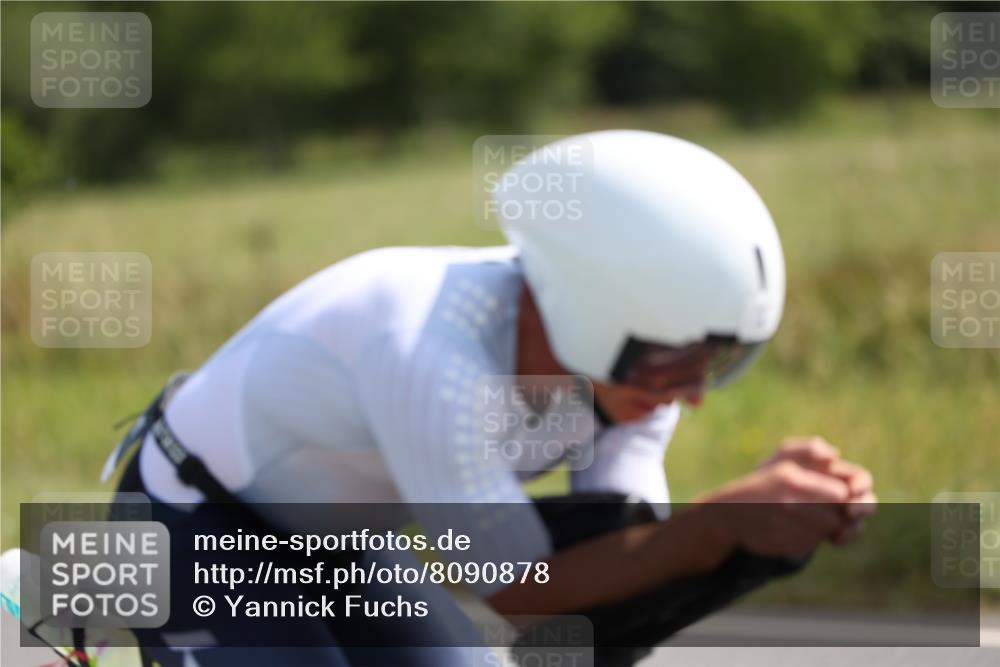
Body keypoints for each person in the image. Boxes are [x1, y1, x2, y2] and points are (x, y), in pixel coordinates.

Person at [103, 130, 876, 666]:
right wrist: (716, 525)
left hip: (339, 535)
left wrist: (756, 538)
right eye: (679, 361)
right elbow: (524, 597)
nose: (693, 393)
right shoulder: (429, 351)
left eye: (720, 360)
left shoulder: (632, 366)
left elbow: (610, 583)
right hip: (200, 522)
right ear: (591, 308)